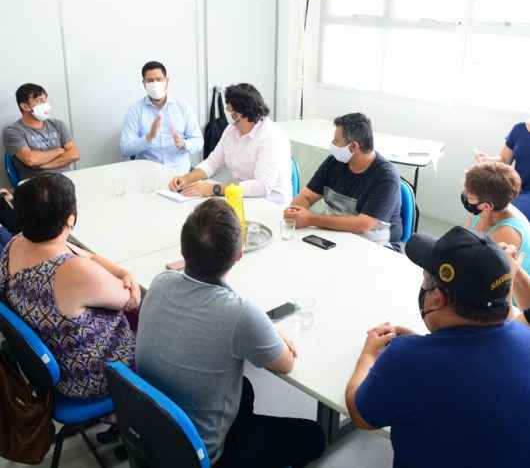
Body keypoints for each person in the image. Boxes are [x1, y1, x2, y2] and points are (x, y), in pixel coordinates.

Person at [136, 198, 325, 468]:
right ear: (239, 256)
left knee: (244, 389)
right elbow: (286, 364)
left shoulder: (161, 281)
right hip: (200, 453)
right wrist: (268, 329)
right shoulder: (239, 313)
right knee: (314, 436)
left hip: (155, 427)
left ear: (183, 248)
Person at [344, 226, 530, 468]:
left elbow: (361, 416)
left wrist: (368, 355)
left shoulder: (405, 358)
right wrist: (425, 347)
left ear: (436, 298)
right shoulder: (524, 334)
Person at [0, 173, 137, 399]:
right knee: (149, 311)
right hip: (89, 376)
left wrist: (121, 272)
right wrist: (123, 274)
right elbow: (131, 300)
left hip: (52, 353)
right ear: (71, 219)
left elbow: (84, 255)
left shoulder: (17, 242)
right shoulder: (73, 271)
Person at [284, 113, 402, 249]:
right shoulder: (334, 162)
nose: (332, 145)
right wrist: (294, 212)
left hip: (371, 243)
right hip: (332, 234)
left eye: (336, 141)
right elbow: (307, 196)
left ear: (353, 147)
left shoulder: (386, 177)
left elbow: (363, 224)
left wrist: (310, 219)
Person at [168, 83, 292, 205]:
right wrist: (186, 178)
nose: (227, 111)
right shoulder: (231, 130)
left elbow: (261, 187)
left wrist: (213, 189)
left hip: (269, 204)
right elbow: (212, 163)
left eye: (230, 108)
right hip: (240, 197)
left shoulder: (272, 135)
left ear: (244, 111)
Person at [120, 61, 203, 173]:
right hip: (147, 174)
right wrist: (148, 138)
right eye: (150, 81)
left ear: (166, 81)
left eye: (159, 79)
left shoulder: (183, 107)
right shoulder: (135, 111)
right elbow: (125, 149)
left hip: (179, 172)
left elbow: (198, 141)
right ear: (144, 83)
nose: (155, 84)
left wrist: (184, 144)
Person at [463, 162, 530, 277]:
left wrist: (483, 225)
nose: (465, 195)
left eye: (470, 196)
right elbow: (463, 241)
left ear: (488, 206)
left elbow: (473, 264)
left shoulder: (507, 232)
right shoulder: (483, 209)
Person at [3, 83, 80, 180]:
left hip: (67, 178)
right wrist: (59, 150)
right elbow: (31, 159)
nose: (45, 104)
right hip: (38, 182)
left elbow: (74, 154)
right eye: (39, 100)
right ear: (25, 106)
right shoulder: (13, 131)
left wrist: (44, 165)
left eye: (45, 99)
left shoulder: (57, 124)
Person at [475, 121, 530, 219]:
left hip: (525, 196)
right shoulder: (519, 129)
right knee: (474, 198)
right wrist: (488, 160)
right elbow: (504, 159)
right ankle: (472, 234)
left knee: (510, 213)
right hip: (515, 188)